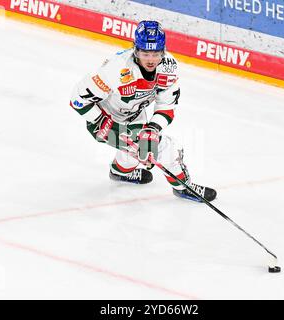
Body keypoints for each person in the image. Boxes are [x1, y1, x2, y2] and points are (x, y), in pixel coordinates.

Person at [70, 20, 216, 202]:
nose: (151, 59)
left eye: (155, 53)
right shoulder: (116, 69)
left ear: (163, 51)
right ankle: (183, 187)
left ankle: (119, 172)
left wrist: (152, 128)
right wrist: (101, 120)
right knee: (165, 147)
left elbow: (167, 105)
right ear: (135, 50)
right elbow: (77, 98)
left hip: (135, 116)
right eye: (145, 53)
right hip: (104, 123)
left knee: (138, 150)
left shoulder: (169, 67)